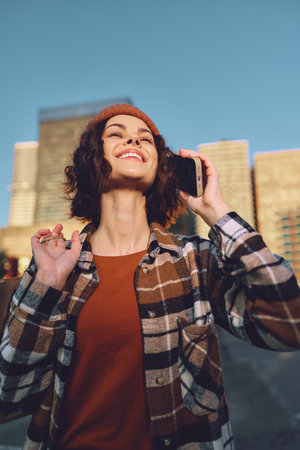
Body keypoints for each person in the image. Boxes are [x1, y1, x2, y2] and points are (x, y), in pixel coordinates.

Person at [0, 104, 300, 450]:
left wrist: (216, 212)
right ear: (91, 159)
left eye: (146, 139)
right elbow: (9, 393)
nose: (133, 138)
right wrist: (47, 284)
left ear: (162, 167)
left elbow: (290, 325)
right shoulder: (53, 265)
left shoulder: (194, 260)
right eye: (117, 133)